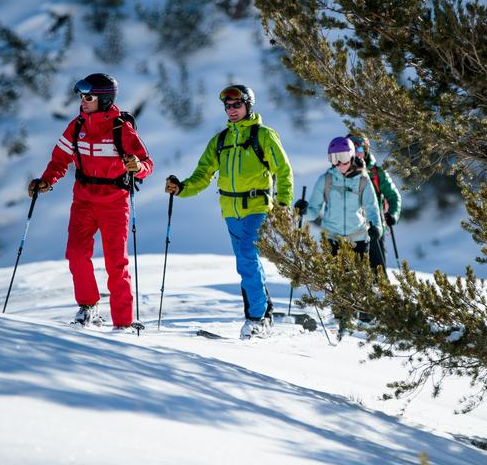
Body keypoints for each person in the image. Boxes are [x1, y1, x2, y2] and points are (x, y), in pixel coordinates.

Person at [164, 84, 293, 340]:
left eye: (237, 105)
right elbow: (203, 175)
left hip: (258, 208)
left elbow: (283, 170)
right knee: (248, 263)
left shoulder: (264, 135)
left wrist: (282, 205)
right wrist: (181, 188)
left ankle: (255, 319)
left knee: (246, 257)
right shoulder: (221, 140)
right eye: (227, 106)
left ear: (248, 105)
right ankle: (265, 314)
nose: (231, 110)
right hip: (230, 210)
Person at [28, 73, 153, 330]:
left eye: (89, 97)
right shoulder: (77, 127)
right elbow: (59, 160)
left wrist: (137, 166)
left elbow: (146, 165)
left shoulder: (121, 128)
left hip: (114, 203)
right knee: (75, 254)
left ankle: (123, 322)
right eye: (82, 96)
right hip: (83, 200)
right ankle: (88, 307)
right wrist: (46, 180)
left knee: (115, 263)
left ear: (105, 100)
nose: (83, 101)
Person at [294, 137, 383, 259]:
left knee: (356, 278)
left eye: (343, 157)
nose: (339, 164)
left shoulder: (363, 180)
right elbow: (313, 211)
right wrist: (303, 210)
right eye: (335, 158)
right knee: (331, 277)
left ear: (352, 155)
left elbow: (372, 208)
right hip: (331, 240)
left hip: (358, 240)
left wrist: (377, 228)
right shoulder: (326, 179)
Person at [346, 134, 401, 273]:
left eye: (360, 149)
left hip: (375, 229)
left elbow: (393, 196)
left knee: (378, 272)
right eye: (353, 150)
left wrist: (393, 214)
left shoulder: (377, 173)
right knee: (351, 273)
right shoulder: (341, 173)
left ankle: (384, 294)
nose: (357, 154)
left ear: (366, 151)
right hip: (351, 229)